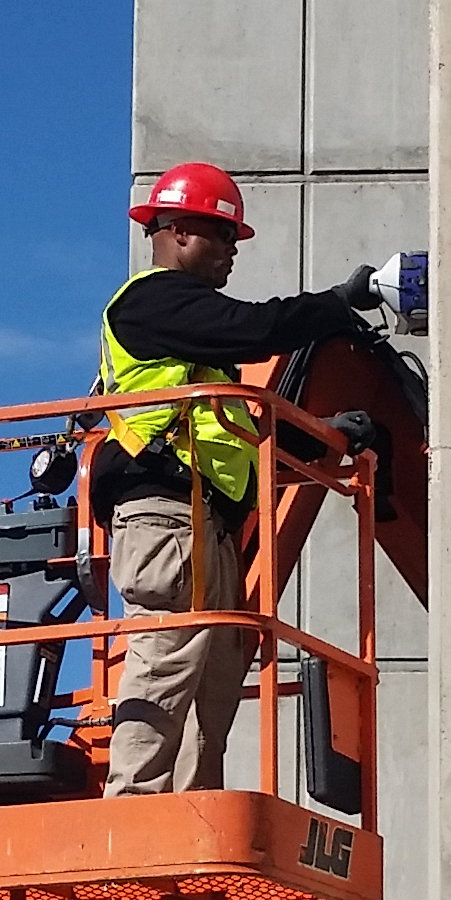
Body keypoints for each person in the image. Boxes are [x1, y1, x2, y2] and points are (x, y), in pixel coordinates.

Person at [93, 162, 387, 793]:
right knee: (169, 661)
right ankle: (133, 807)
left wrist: (325, 432)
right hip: (166, 516)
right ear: (172, 232)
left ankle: (192, 816)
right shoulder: (151, 301)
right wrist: (339, 302)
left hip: (207, 523)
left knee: (214, 681)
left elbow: (245, 435)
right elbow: (258, 329)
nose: (231, 251)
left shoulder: (194, 350)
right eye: (220, 236)